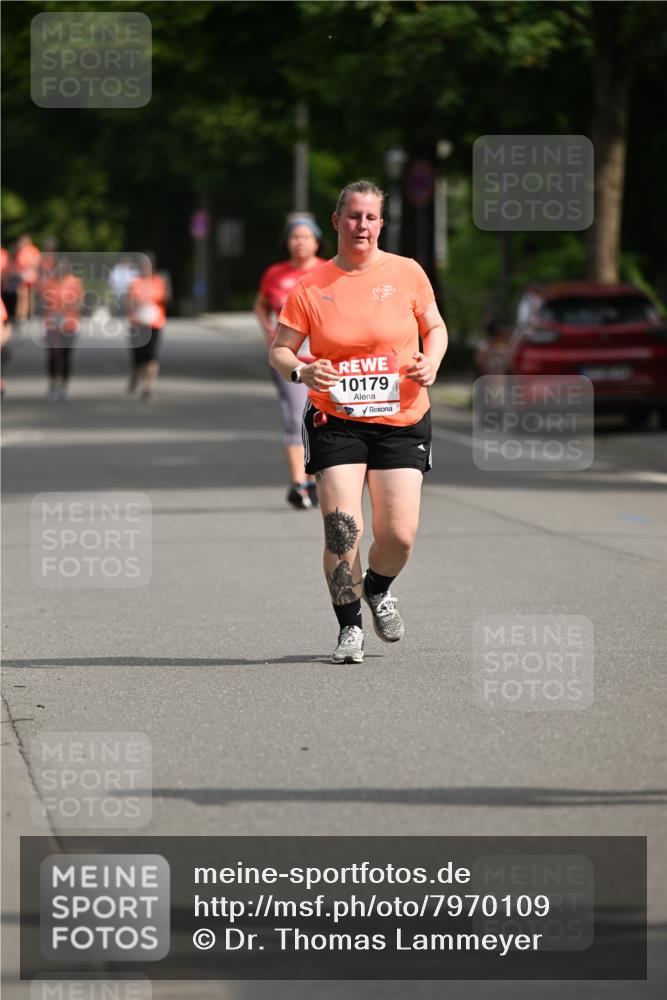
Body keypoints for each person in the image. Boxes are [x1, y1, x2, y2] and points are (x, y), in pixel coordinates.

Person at [270, 180, 448, 663]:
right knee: (342, 528)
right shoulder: (311, 287)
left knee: (399, 536)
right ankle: (349, 628)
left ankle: (377, 587)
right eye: (353, 216)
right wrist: (301, 369)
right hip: (337, 420)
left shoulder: (408, 273)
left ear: (381, 224)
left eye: (370, 217)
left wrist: (431, 360)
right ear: (337, 221)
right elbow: (280, 349)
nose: (361, 225)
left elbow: (434, 327)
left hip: (403, 417)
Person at [255, 217, 326, 509]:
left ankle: (316, 478)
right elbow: (260, 303)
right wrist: (269, 331)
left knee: (324, 419)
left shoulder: (329, 270)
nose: (300, 242)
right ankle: (301, 482)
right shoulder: (275, 273)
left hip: (325, 360)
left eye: (306, 237)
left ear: (317, 242)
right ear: (287, 242)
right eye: (295, 237)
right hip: (290, 360)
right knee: (296, 416)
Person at [126, 254, 170, 400]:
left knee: (152, 357)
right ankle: (134, 376)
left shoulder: (159, 282)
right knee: (138, 357)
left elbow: (166, 298)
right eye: (143, 266)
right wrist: (135, 302)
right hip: (138, 324)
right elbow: (127, 301)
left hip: (154, 324)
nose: (145, 269)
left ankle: (147, 387)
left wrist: (166, 293)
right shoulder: (135, 283)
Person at [40, 258, 84, 401]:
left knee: (65, 356)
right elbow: (43, 303)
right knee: (53, 354)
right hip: (52, 324)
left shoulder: (75, 283)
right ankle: (53, 384)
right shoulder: (49, 283)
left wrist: (69, 306)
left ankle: (63, 385)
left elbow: (80, 303)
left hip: (69, 324)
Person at [14, 234, 42, 324]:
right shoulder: (35, 250)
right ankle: (27, 316)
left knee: (24, 298)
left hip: (26, 278)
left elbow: (20, 264)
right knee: (29, 298)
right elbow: (38, 263)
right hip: (31, 277)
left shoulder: (23, 251)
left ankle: (23, 317)